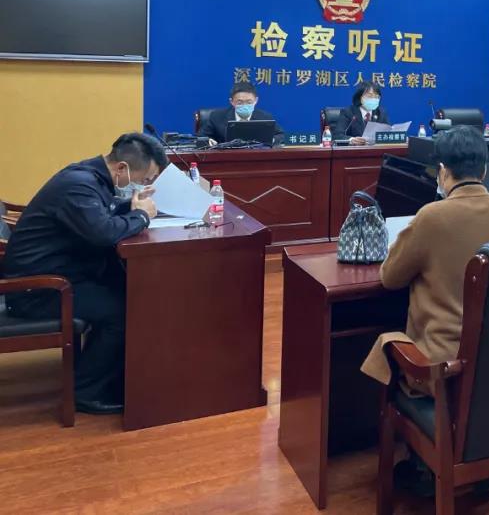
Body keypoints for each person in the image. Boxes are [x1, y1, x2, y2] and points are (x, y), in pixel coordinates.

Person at [367, 125, 489, 496]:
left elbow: (390, 277)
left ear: (442, 171)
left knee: (388, 347)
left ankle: (424, 468)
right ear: (484, 170)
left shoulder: (432, 215)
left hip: (443, 370)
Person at [3, 133, 166, 414]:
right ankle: (86, 392)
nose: (143, 184)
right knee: (121, 312)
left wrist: (130, 206)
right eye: (144, 178)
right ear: (122, 168)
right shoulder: (78, 185)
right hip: (37, 290)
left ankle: (115, 373)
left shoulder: (90, 177)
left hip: (59, 275)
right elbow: (103, 232)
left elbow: (101, 213)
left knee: (128, 290)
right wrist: (141, 216)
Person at [197, 81, 284, 146]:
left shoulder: (265, 117)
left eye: (249, 102)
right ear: (231, 102)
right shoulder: (217, 116)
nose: (245, 106)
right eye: (240, 102)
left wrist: (272, 140)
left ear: (256, 101)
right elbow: (200, 137)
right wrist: (207, 141)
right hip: (226, 159)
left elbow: (280, 135)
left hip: (256, 158)